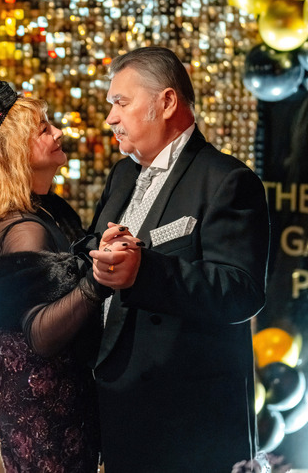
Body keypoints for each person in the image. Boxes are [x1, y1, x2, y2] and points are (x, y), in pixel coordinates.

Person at [0, 64, 137, 473]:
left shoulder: (27, 213)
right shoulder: (24, 229)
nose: (58, 133)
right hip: (46, 407)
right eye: (44, 130)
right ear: (16, 151)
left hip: (33, 398)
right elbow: (41, 336)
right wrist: (97, 282)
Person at [88, 46, 270, 473]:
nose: (111, 118)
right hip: (116, 406)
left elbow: (241, 292)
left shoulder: (227, 180)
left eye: (121, 103)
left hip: (187, 425)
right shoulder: (123, 174)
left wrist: (145, 270)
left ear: (167, 101)